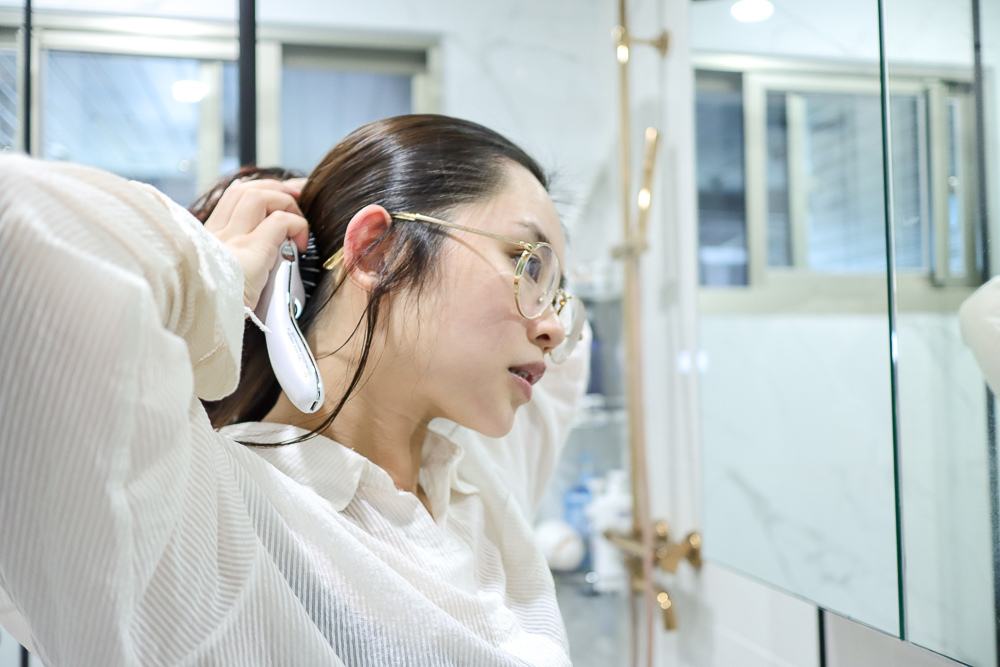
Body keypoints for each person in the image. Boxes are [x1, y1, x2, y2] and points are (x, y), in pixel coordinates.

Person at [0, 115, 590, 666]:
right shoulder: (206, 512)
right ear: (377, 251)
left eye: (554, 293)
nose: (554, 327)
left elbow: (573, 343)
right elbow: (19, 221)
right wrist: (214, 272)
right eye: (527, 263)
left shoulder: (478, 487)